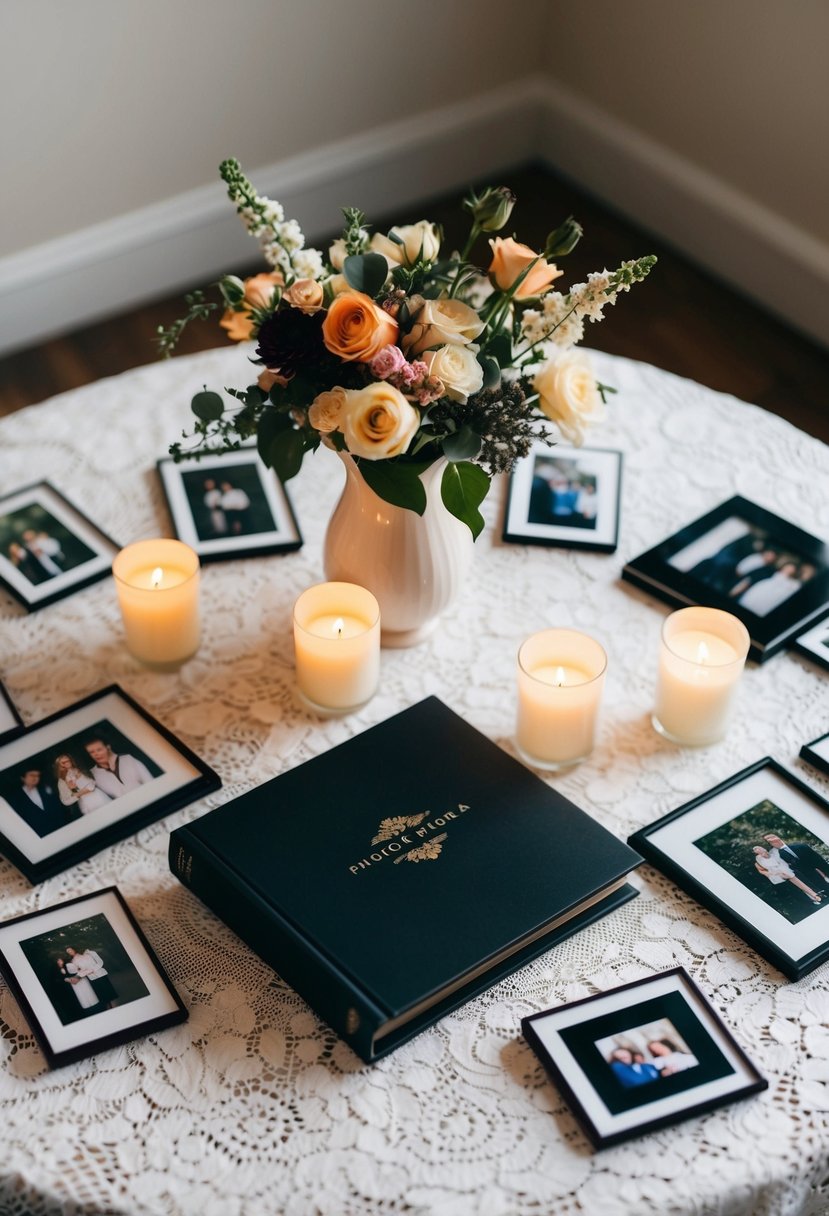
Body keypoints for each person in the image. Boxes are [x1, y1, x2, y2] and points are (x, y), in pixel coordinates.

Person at [5, 767, 81, 836]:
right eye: (32, 775)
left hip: (62, 831)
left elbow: (59, 810)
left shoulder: (46, 789)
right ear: (23, 778)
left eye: (37, 775)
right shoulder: (16, 799)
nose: (35, 778)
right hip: (42, 837)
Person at [762, 833, 829, 899]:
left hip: (818, 863)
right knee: (820, 883)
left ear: (778, 837)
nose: (771, 839)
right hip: (805, 871)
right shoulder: (778, 855)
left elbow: (818, 858)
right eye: (768, 839)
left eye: (772, 837)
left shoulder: (800, 846)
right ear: (769, 844)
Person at [83, 736, 153, 798]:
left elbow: (149, 780)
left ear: (108, 747)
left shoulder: (128, 759)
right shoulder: (92, 774)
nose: (96, 754)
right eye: (91, 752)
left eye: (99, 750)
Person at [752, 845, 822, 904]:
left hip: (787, 870)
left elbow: (780, 859)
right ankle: (814, 896)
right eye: (758, 851)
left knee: (800, 882)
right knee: (797, 885)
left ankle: (814, 896)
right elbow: (767, 867)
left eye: (760, 849)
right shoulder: (759, 858)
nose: (761, 851)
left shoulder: (773, 852)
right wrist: (774, 872)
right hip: (778, 875)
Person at [737, 561, 801, 615]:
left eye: (791, 569)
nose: (788, 569)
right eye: (788, 567)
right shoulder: (771, 571)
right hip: (762, 589)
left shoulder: (792, 583)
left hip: (772, 595)